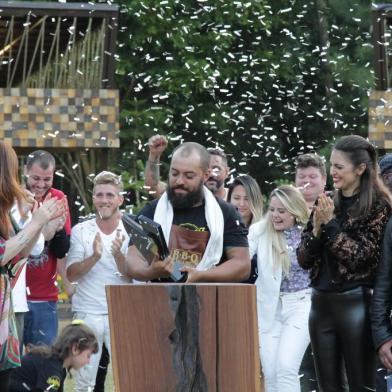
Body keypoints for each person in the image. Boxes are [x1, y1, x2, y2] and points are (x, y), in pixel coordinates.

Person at [297, 134, 392, 391]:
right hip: (320, 306)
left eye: (339, 166)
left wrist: (329, 225)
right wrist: (316, 231)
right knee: (328, 386)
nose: (333, 172)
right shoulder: (325, 201)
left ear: (360, 169)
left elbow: (362, 259)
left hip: (355, 305)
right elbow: (303, 259)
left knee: (362, 386)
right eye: (331, 165)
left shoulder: (379, 207)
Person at [122, 142, 250, 283]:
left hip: (209, 300)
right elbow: (132, 260)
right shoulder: (152, 210)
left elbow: (242, 265)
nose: (179, 181)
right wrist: (150, 272)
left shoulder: (226, 213)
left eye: (189, 176)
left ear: (206, 175)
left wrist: (200, 275)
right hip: (158, 299)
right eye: (174, 173)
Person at [0, 141, 65, 391]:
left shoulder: (5, 209)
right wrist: (36, 221)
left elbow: (22, 255)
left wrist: (35, 221)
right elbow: (3, 254)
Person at [66, 171, 131, 391]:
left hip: (121, 311)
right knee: (84, 381)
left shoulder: (131, 230)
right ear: (93, 198)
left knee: (128, 375)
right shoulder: (80, 231)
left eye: (110, 195)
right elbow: (72, 274)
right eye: (100, 195)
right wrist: (94, 257)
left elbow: (136, 274)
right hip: (87, 312)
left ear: (120, 199)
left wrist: (118, 256)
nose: (104, 200)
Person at [248, 185, 310, 392]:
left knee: (286, 367)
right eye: (272, 209)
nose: (274, 215)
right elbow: (243, 258)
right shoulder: (259, 230)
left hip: (300, 305)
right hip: (268, 307)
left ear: (294, 211)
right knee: (271, 372)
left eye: (281, 211)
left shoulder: (309, 232)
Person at [23, 150, 72, 347]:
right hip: (14, 296)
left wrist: (58, 231)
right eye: (36, 178)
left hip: (45, 297)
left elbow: (61, 250)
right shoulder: (16, 197)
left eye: (47, 179)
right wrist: (46, 229)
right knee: (12, 367)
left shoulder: (58, 198)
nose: (41, 185)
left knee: (44, 361)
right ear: (26, 171)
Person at [295, 153, 327, 392]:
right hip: (293, 305)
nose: (307, 181)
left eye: (312, 176)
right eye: (302, 176)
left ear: (324, 180)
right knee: (301, 372)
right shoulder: (282, 211)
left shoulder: (334, 209)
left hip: (326, 300)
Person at [9, 321, 98, 392]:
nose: (88, 361)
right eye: (88, 356)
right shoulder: (52, 368)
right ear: (75, 349)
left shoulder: (59, 367)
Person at [144, 134, 230, 200]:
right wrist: (154, 155)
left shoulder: (236, 198)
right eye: (208, 168)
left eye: (216, 169)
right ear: (204, 173)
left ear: (227, 172)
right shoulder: (185, 193)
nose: (211, 174)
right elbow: (153, 188)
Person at [227, 175, 263, 283]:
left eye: (247, 199)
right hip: (225, 293)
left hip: (257, 296)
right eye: (237, 198)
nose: (241, 204)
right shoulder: (218, 229)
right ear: (229, 199)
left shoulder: (264, 231)